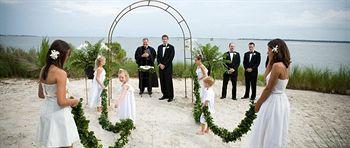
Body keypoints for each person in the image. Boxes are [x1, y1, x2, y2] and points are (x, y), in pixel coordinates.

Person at [247, 38, 291, 148]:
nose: (267, 52)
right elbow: (264, 77)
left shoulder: (277, 66)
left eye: (269, 50)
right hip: (282, 101)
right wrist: (270, 60)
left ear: (275, 50)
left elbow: (268, 88)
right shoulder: (286, 64)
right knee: (275, 130)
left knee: (269, 130)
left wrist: (258, 105)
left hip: (273, 101)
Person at [37, 40, 80, 147]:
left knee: (52, 143)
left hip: (46, 112)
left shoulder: (44, 69)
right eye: (67, 55)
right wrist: (75, 101)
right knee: (67, 144)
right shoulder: (61, 73)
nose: (68, 58)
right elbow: (61, 102)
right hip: (58, 114)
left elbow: (41, 95)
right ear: (62, 56)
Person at [157, 34, 175, 102]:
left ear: (168, 39)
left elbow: (171, 57)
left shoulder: (171, 47)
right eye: (163, 39)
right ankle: (165, 95)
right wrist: (160, 64)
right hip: (161, 67)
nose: (164, 40)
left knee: (168, 81)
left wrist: (164, 65)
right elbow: (158, 56)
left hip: (168, 67)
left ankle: (170, 96)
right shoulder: (159, 47)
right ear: (162, 40)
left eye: (165, 39)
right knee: (162, 81)